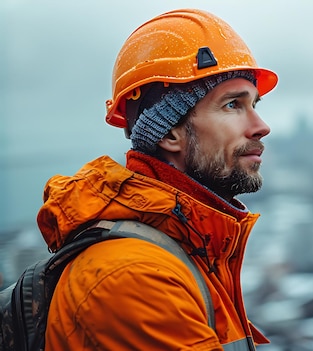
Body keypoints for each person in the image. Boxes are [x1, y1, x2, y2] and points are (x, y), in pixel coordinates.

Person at [36, 8, 278, 350]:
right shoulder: (133, 279)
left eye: (254, 103)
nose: (260, 125)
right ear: (170, 134)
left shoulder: (192, 247)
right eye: (232, 105)